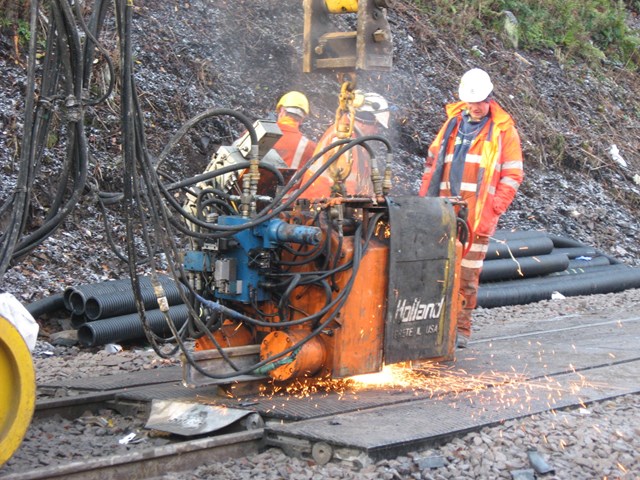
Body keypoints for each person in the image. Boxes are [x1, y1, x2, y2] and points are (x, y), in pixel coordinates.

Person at [419, 68, 524, 348]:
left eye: (479, 102)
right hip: (442, 211)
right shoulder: (452, 124)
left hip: (477, 215)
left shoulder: (503, 130)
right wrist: (424, 202)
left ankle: (461, 328)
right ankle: (434, 327)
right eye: (470, 102)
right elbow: (432, 162)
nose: (475, 108)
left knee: (466, 274)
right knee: (437, 270)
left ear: (490, 98)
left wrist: (494, 207)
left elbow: (513, 174)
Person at [299, 90, 390, 199]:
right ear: (365, 120)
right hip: (320, 206)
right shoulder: (343, 138)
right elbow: (345, 185)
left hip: (329, 206)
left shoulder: (355, 141)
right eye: (377, 125)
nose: (376, 131)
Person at [273, 91, 317, 170]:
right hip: (284, 182)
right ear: (302, 119)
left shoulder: (258, 131)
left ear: (282, 111)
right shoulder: (310, 147)